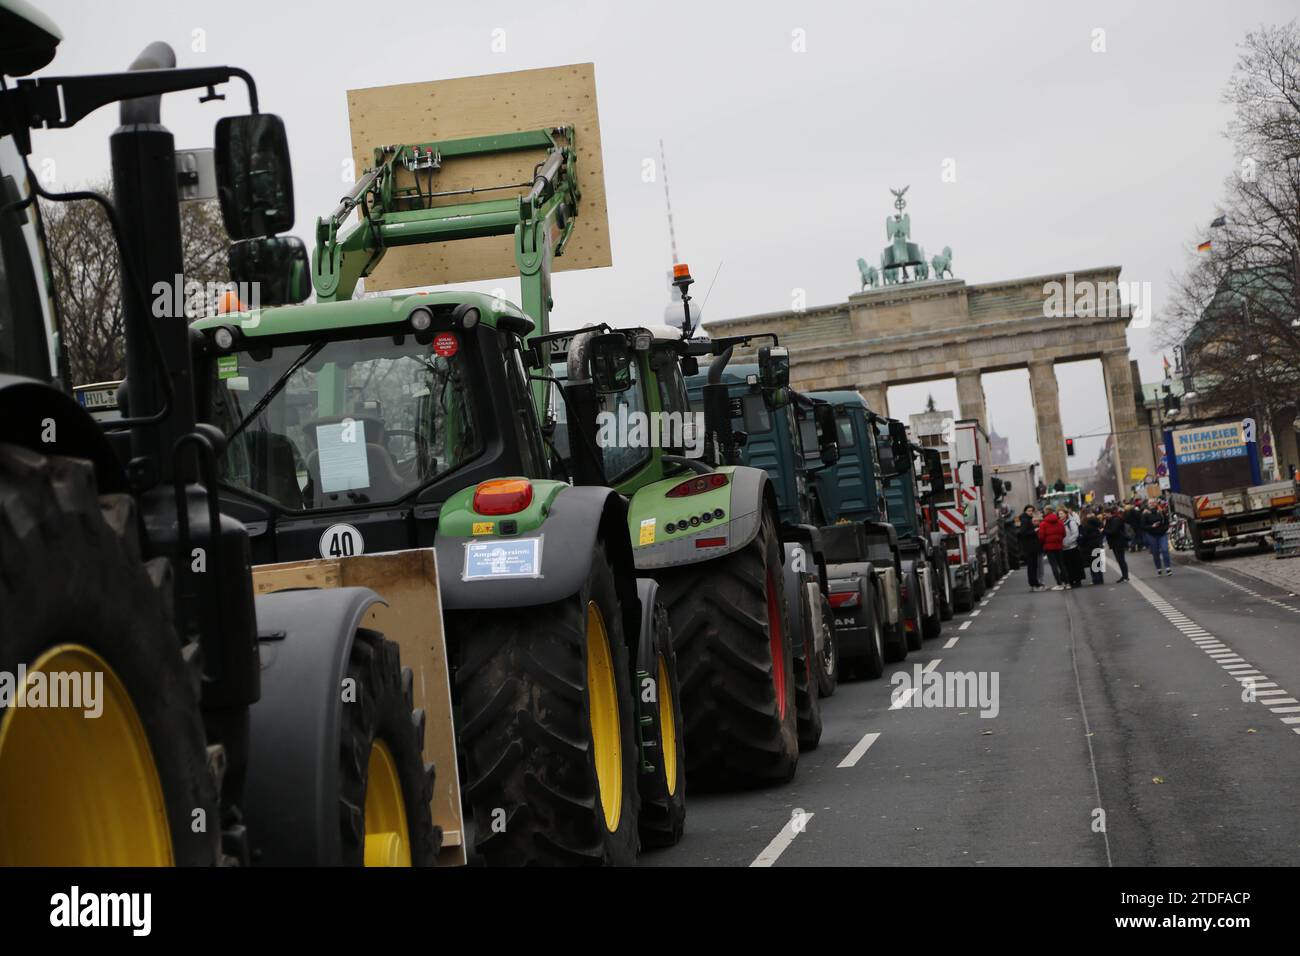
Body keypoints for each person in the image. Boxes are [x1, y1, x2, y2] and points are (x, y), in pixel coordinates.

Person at [1037, 506, 1067, 589]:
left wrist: (1043, 544)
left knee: (1054, 566)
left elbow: (1041, 537)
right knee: (1062, 565)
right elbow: (1064, 533)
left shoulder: (1043, 523)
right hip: (1059, 546)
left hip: (1049, 547)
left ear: (1045, 512)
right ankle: (1067, 583)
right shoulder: (1060, 522)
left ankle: (1059, 584)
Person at [1143, 502, 1173, 575]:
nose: (1152, 504)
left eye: (1153, 502)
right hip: (1152, 535)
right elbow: (1143, 526)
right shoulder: (1145, 514)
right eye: (1150, 503)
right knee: (1155, 552)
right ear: (1148, 505)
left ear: (1156, 504)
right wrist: (1151, 526)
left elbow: (1166, 522)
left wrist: (1164, 529)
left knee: (1165, 550)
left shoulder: (1161, 512)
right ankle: (1159, 568)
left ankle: (1168, 568)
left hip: (1162, 534)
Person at [1018, 506, 1043, 591]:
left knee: (1033, 566)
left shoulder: (1027, 519)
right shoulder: (1025, 520)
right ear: (1025, 511)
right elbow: (1023, 532)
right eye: (1029, 511)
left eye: (1032, 511)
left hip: (1031, 546)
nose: (1030, 512)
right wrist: (1034, 531)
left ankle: (1034, 583)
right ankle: (1033, 583)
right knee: (1032, 566)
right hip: (1030, 547)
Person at [1104, 507, 1130, 582]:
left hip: (1119, 542)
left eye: (1105, 514)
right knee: (1119, 560)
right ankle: (1124, 576)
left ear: (1109, 513)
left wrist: (1104, 530)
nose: (1105, 515)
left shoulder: (1116, 520)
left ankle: (1125, 576)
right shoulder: (1109, 520)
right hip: (1114, 543)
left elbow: (1114, 531)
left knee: (1121, 560)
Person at [1080, 509, 1106, 584]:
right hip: (1097, 542)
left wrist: (1081, 542)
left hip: (1089, 544)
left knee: (1092, 562)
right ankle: (1100, 579)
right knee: (1098, 562)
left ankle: (1095, 579)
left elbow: (1084, 535)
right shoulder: (1095, 520)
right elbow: (1101, 526)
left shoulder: (1085, 523)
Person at [1060, 505, 1084, 588]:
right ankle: (1070, 580)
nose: (1060, 515)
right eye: (1059, 514)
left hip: (1072, 547)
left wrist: (1068, 543)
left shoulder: (1071, 522)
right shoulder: (1059, 523)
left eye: (1062, 513)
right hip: (1063, 548)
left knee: (1075, 565)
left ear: (1066, 514)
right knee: (1067, 566)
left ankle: (1078, 580)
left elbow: (1075, 534)